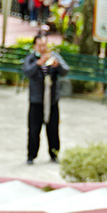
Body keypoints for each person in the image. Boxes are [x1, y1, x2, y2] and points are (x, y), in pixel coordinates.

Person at [22, 35, 69, 164]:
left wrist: (57, 66)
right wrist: (38, 63)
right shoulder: (31, 58)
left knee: (53, 128)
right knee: (33, 129)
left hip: (52, 100)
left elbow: (65, 70)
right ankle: (31, 156)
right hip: (36, 100)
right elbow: (26, 72)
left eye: (44, 45)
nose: (43, 48)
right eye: (40, 45)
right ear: (35, 46)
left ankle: (54, 154)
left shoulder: (54, 56)